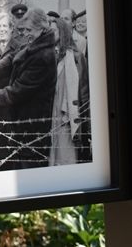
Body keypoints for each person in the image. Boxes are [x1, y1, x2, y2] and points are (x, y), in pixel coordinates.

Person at [0, 7, 59, 169]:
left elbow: (17, 91)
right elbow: (12, 57)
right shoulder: (34, 42)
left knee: (29, 171)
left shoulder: (44, 56)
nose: (25, 34)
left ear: (42, 28)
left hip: (33, 127)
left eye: (29, 30)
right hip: (23, 123)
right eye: (23, 30)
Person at [50, 15, 84, 165]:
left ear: (62, 32)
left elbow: (84, 91)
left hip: (67, 116)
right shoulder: (48, 55)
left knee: (65, 157)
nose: (51, 35)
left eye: (54, 31)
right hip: (50, 115)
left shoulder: (75, 57)